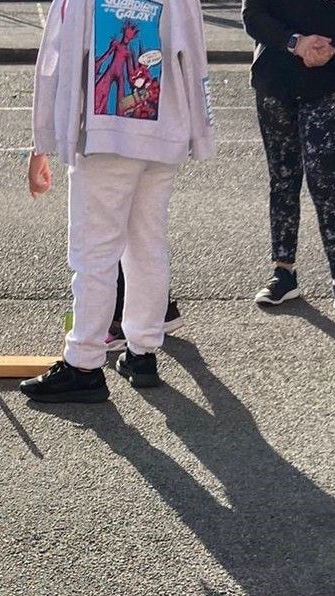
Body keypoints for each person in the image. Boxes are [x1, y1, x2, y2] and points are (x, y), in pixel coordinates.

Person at [22, 0, 217, 403]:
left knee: (94, 252)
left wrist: (43, 140)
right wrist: (201, 133)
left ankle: (84, 362)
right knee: (147, 246)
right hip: (164, 136)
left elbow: (53, 63)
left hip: (105, 138)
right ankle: (142, 352)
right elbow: (194, 55)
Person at [241, 0, 335, 315]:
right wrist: (295, 43)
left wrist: (333, 50)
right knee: (283, 179)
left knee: (325, 181)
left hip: (323, 85)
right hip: (274, 82)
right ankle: (283, 272)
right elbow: (252, 16)